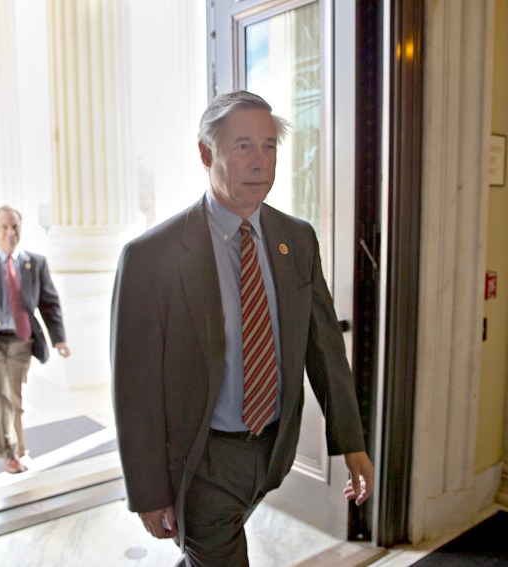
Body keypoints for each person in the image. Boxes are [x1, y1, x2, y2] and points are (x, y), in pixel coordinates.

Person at [110, 90, 374, 566]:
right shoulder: (152, 257)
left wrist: (351, 440)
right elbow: (136, 391)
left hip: (272, 451)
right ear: (205, 153)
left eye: (269, 146)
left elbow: (324, 347)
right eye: (243, 146)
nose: (261, 163)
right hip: (201, 461)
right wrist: (148, 491)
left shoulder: (297, 238)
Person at [0, 205, 70, 474]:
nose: (10, 232)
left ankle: (21, 451)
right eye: (4, 227)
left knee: (16, 397)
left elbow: (49, 303)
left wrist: (59, 339)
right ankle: (7, 453)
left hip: (21, 340)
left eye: (15, 226)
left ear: (21, 229)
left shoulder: (35, 263)